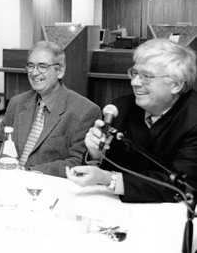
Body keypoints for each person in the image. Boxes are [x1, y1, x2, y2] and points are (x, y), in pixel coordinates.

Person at [66, 38, 197, 203]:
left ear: (176, 85)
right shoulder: (121, 108)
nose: (134, 82)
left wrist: (110, 179)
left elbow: (180, 183)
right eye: (134, 73)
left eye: (146, 77)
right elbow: (102, 168)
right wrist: (95, 153)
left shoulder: (193, 118)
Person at [0, 40, 101, 176]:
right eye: (31, 66)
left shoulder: (85, 111)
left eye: (42, 66)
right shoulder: (17, 103)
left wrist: (27, 173)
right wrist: (1, 164)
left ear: (60, 71)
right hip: (8, 180)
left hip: (49, 189)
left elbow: (78, 163)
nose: (34, 73)